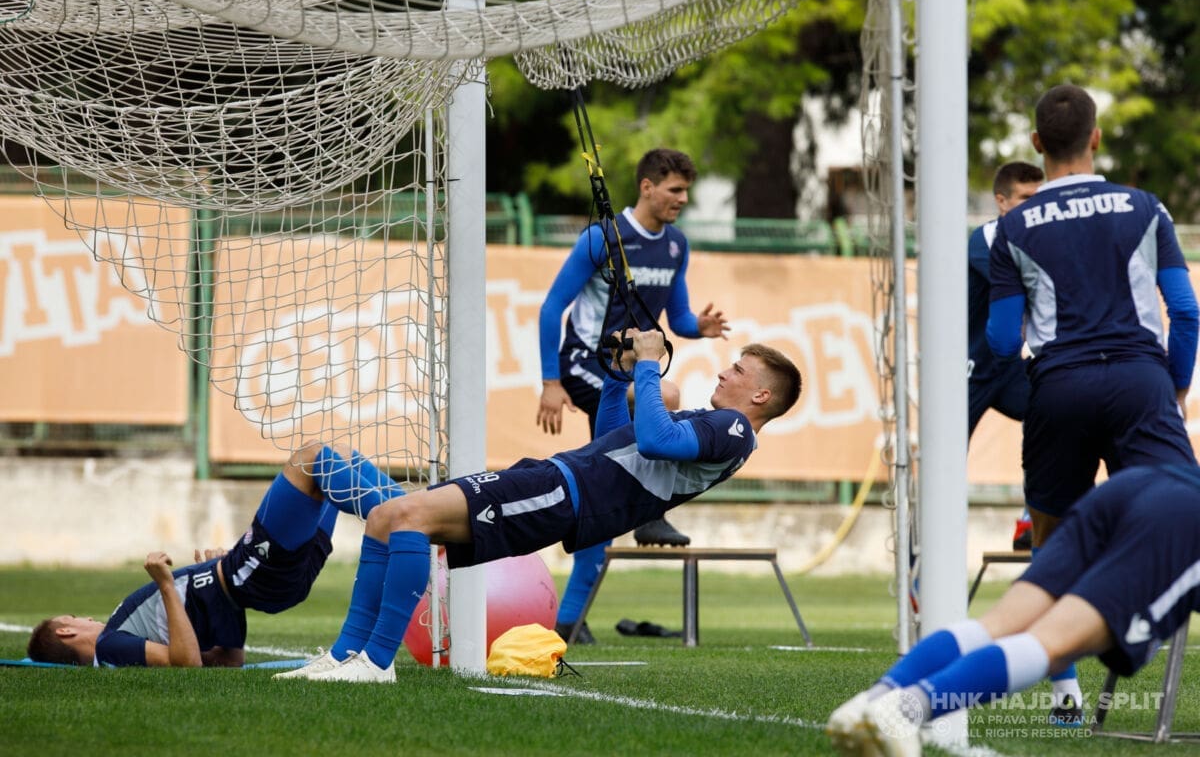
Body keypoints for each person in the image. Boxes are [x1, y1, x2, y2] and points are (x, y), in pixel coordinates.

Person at [276, 329, 801, 682]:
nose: (724, 373)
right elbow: (616, 434)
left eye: (738, 370)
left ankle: (376, 661)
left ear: (760, 396)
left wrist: (646, 363)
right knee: (388, 516)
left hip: (564, 495)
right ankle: (346, 656)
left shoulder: (733, 429)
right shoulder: (716, 424)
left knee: (408, 517)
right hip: (555, 479)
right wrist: (618, 374)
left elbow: (656, 438)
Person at [986, 84, 1198, 724]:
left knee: (1053, 542)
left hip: (1062, 389)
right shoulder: (1145, 207)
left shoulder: (1013, 226)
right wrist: (1175, 386)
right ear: (1096, 137)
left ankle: (1065, 697)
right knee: (1187, 519)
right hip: (1141, 383)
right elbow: (1185, 311)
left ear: (1036, 143)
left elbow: (1003, 340)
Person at [826, 463, 1200, 756]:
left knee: (996, 625)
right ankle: (901, 712)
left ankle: (868, 703)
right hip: (1185, 517)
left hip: (1135, 484)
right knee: (1054, 644)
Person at [536, 148, 730, 641]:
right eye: (674, 190)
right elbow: (552, 307)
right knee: (666, 395)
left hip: (628, 376)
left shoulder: (676, 245)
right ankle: (653, 512)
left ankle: (570, 620)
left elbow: (677, 318)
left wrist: (700, 327)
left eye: (686, 191)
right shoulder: (603, 237)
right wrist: (551, 383)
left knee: (604, 489)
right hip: (586, 364)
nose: (682, 199)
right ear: (647, 186)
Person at [26, 446, 404, 667]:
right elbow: (186, 663)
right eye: (74, 618)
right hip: (252, 574)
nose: (85, 617)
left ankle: (414, 519)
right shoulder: (109, 644)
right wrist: (167, 583)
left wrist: (214, 585)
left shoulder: (123, 634)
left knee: (342, 462)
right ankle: (412, 527)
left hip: (255, 582)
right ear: (67, 630)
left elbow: (227, 661)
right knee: (311, 459)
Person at [967, 161, 1043, 551]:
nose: (1034, 206)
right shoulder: (985, 238)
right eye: (1025, 198)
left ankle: (1033, 519)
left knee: (1053, 407)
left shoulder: (1043, 239)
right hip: (968, 367)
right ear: (1001, 201)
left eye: (1039, 198)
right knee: (943, 461)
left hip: (1011, 365)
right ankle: (921, 562)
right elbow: (1026, 284)